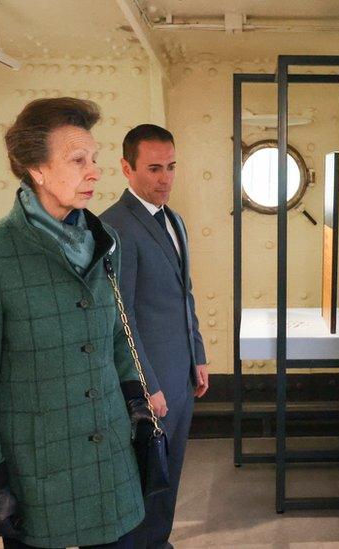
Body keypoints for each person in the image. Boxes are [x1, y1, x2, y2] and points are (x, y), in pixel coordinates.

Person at [0, 98, 148, 549]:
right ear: (36, 169)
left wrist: (134, 395)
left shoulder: (102, 238)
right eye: (78, 160)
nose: (94, 171)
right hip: (40, 467)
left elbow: (117, 332)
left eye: (93, 159)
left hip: (111, 452)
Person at [100, 124, 208, 549]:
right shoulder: (114, 226)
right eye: (154, 168)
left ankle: (159, 542)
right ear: (127, 168)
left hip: (181, 372)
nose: (165, 178)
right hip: (152, 382)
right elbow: (119, 315)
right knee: (145, 476)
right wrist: (147, 385)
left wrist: (197, 353)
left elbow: (185, 293)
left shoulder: (175, 220)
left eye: (171, 167)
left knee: (171, 470)